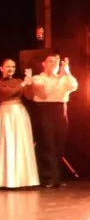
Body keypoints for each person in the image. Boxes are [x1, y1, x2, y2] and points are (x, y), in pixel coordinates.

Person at [0, 58, 39, 189]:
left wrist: (29, 82)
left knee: (20, 143)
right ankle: (5, 180)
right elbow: (6, 93)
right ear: (1, 68)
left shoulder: (19, 81)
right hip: (5, 113)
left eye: (13, 67)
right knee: (6, 143)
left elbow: (29, 96)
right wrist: (23, 84)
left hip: (19, 113)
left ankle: (23, 179)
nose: (11, 69)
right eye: (8, 66)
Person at [30, 53, 78, 188]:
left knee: (59, 145)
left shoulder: (63, 78)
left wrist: (67, 71)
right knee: (47, 144)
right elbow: (45, 94)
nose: (53, 64)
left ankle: (57, 178)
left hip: (60, 110)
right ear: (43, 64)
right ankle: (47, 178)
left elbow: (73, 86)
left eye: (55, 62)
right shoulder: (38, 78)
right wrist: (59, 79)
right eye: (50, 61)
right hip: (44, 111)